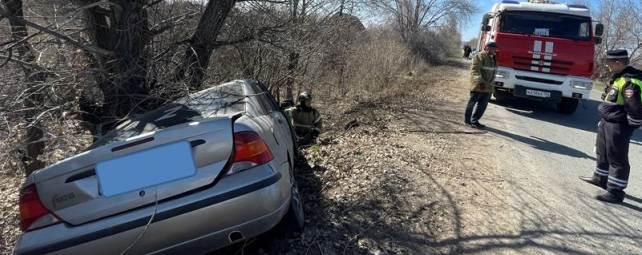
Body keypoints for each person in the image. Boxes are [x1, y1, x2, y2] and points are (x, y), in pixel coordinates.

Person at [580, 49, 642, 204]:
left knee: (617, 156)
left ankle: (615, 191)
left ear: (618, 63)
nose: (607, 66)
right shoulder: (618, 78)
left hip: (619, 125)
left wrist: (632, 125)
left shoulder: (629, 82)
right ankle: (600, 178)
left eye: (609, 63)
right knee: (603, 152)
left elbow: (634, 106)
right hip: (608, 121)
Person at [464, 42, 497, 129]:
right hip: (479, 85)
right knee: (472, 103)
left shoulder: (493, 58)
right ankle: (467, 121)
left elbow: (493, 72)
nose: (495, 50)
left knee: (482, 105)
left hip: (488, 87)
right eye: (493, 48)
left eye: (495, 49)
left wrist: (491, 84)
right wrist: (481, 83)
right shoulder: (479, 56)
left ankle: (475, 121)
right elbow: (475, 71)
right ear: (487, 48)